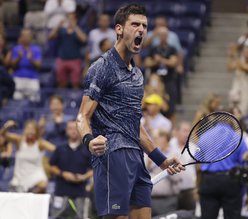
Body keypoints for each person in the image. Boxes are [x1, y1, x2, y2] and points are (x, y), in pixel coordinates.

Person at [76, 4, 184, 219]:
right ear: (119, 29)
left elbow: (135, 125)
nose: (141, 30)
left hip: (136, 157)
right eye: (135, 24)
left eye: (144, 25)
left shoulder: (137, 75)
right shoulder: (102, 67)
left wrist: (161, 160)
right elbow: (82, 116)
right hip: (112, 155)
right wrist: (89, 140)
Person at [199, 114, 248, 219]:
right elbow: (245, 162)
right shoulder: (237, 138)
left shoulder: (204, 136)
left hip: (209, 180)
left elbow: (198, 163)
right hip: (230, 180)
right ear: (231, 120)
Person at [49, 120, 92, 219]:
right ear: (66, 130)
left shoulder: (86, 149)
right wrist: (63, 174)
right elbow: (51, 167)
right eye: (70, 128)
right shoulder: (60, 149)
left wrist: (83, 177)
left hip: (80, 193)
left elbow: (93, 169)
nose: (73, 131)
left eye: (75, 128)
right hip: (61, 192)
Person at [0, 120, 55, 193]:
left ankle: (29, 195)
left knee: (43, 185)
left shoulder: (40, 143)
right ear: (24, 130)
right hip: (20, 175)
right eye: (28, 129)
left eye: (32, 129)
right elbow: (3, 134)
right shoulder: (19, 140)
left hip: (36, 173)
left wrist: (50, 162)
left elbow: (56, 150)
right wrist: (6, 127)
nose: (30, 131)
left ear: (36, 131)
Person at [48, 12, 87, 88]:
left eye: (72, 18)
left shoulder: (78, 30)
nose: (70, 20)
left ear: (75, 20)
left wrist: (75, 27)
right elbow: (50, 37)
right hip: (62, 59)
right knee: (61, 82)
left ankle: (75, 98)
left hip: (75, 60)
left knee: (75, 83)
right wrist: (58, 26)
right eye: (69, 18)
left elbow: (84, 39)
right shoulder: (62, 30)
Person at [9, 28, 42, 102]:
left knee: (35, 100)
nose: (26, 37)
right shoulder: (16, 49)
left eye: (28, 35)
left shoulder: (36, 49)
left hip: (32, 78)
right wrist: (19, 58)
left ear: (31, 37)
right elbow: (12, 65)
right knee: (16, 99)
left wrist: (31, 59)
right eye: (24, 35)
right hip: (18, 77)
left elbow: (39, 65)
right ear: (21, 37)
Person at [227, 45, 248, 117]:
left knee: (243, 112)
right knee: (233, 111)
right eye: (245, 52)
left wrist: (235, 55)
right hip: (236, 90)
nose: (246, 54)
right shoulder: (239, 62)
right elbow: (229, 68)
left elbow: (244, 67)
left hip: (245, 91)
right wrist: (230, 56)